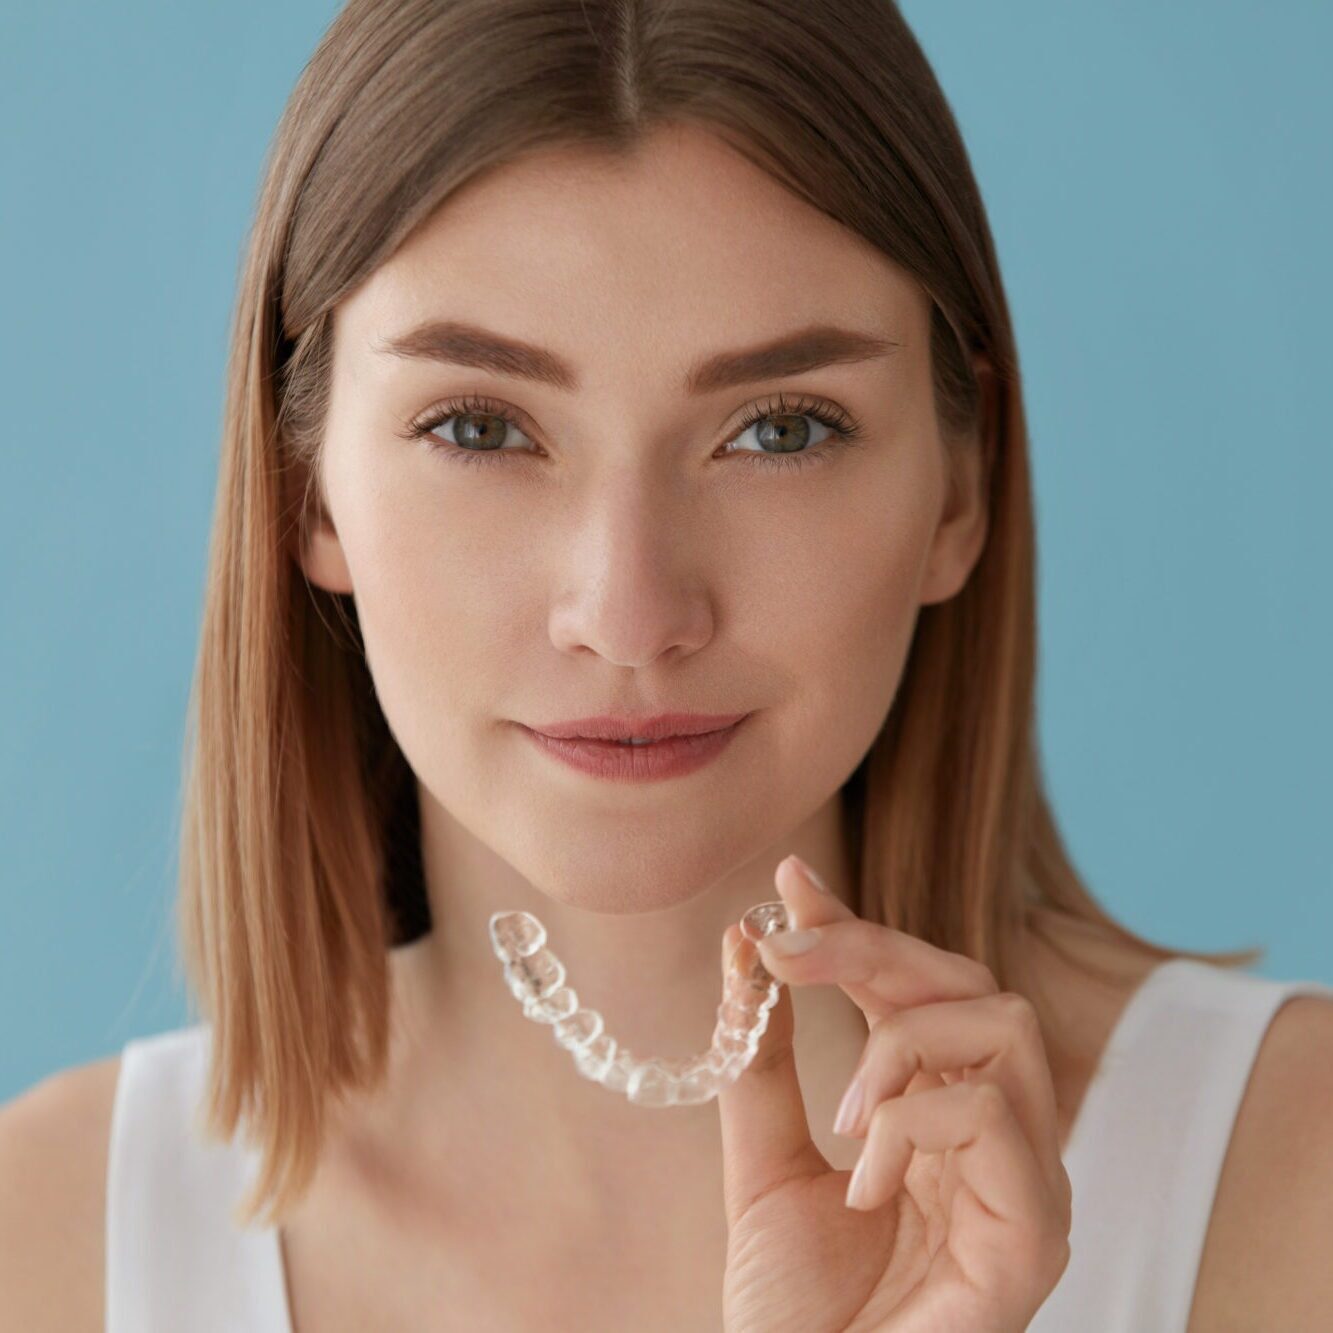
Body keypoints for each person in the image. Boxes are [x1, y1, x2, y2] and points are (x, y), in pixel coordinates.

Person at [3, 2, 1331, 1329]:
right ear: (310, 490)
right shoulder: (41, 1242)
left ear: (958, 483)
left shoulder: (1297, 1172)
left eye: (781, 428)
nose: (630, 611)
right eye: (478, 426)